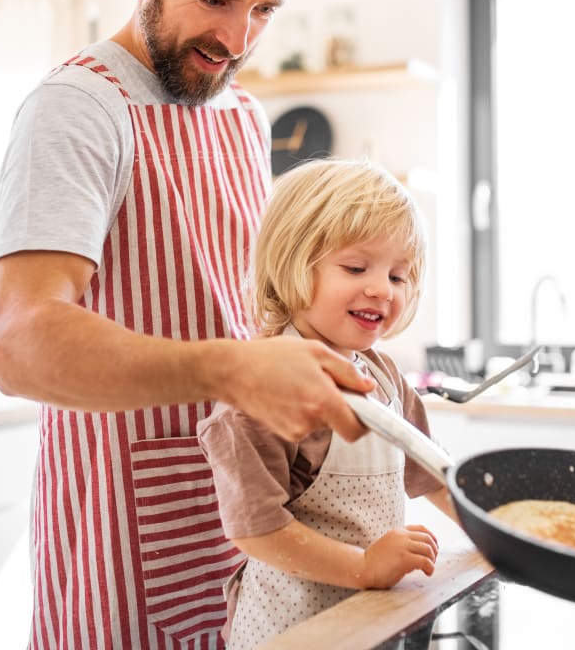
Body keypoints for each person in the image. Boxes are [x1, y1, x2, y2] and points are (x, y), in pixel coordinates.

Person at [0, 0, 375, 648]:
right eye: (215, 0)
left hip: (246, 531)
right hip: (123, 547)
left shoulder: (243, 118)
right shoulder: (75, 109)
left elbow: (246, 305)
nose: (236, 39)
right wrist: (230, 369)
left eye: (263, 9)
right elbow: (18, 342)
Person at [197, 159, 461, 649]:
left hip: (369, 617)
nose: (382, 288)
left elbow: (435, 473)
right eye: (357, 267)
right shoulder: (259, 392)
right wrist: (363, 566)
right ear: (293, 264)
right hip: (293, 628)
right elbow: (256, 531)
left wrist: (495, 533)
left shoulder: (384, 377)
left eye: (399, 276)